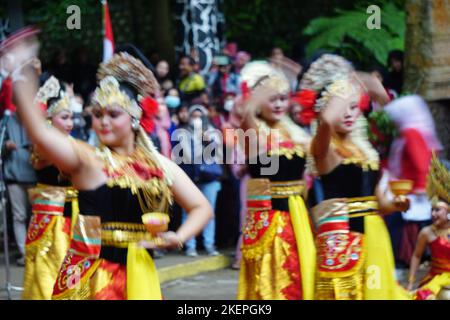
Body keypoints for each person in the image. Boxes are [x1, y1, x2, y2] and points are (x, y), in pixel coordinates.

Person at [4, 35, 212, 300]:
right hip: (95, 281)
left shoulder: (159, 165)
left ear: (135, 118)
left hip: (141, 275)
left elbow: (201, 207)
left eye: (113, 114)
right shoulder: (90, 160)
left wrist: (178, 236)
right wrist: (22, 80)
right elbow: (41, 135)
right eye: (98, 114)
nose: (103, 122)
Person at [303, 54, 410, 300]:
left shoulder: (367, 153)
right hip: (342, 238)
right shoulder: (324, 151)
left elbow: (379, 203)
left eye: (355, 107)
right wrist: (346, 87)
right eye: (343, 107)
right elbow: (328, 121)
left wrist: (396, 204)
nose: (350, 113)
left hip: (374, 235)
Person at [235, 61, 315, 300]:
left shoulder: (297, 133)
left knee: (300, 269)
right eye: (272, 99)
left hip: (298, 212)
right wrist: (253, 100)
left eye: (283, 98)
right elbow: (247, 121)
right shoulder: (252, 130)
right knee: (273, 273)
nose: (279, 104)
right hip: (269, 214)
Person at [22, 76, 79, 300]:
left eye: (71, 117)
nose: (70, 123)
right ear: (48, 119)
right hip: (51, 219)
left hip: (71, 214)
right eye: (64, 117)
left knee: (72, 268)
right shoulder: (45, 145)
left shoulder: (68, 142)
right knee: (50, 268)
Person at [384, 95, 442, 268]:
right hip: (408, 190)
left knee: (404, 231)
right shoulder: (413, 131)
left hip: (410, 194)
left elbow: (421, 161)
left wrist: (419, 187)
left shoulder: (411, 133)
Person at [173, 104, 222, 257]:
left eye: (199, 116)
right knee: (188, 211)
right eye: (193, 116)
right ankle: (190, 245)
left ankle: (209, 244)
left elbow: (219, 155)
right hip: (190, 177)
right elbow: (180, 156)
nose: (196, 119)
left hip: (210, 178)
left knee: (209, 212)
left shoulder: (213, 132)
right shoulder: (181, 133)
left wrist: (208, 142)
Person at [407, 154, 450, 299]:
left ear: (448, 211)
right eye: (432, 210)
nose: (433, 214)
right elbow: (416, 255)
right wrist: (411, 282)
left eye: (437, 210)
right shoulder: (427, 232)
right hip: (434, 280)